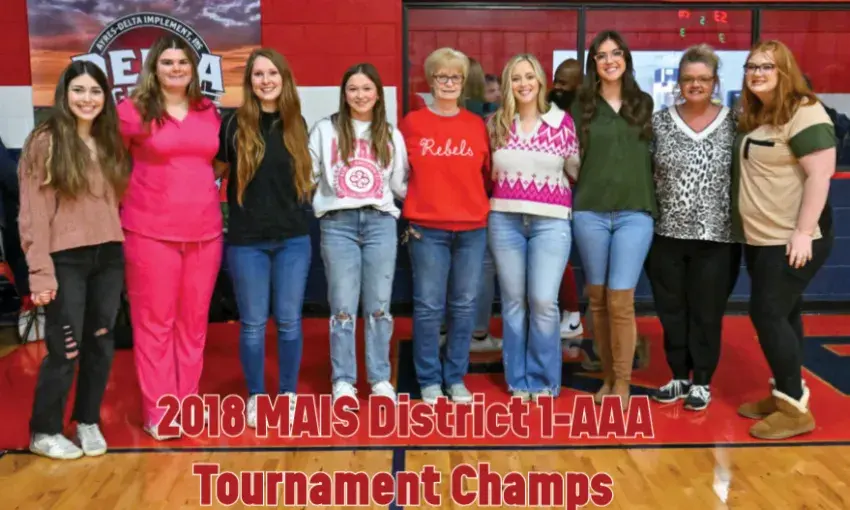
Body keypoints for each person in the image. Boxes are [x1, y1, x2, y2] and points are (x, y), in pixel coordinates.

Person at [20, 61, 130, 458]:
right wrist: (40, 273)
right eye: (79, 90)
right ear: (64, 95)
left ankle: (87, 421)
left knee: (101, 344)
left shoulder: (108, 140)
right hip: (65, 261)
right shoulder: (45, 141)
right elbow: (32, 214)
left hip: (109, 256)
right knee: (65, 349)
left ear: (105, 97)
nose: (87, 99)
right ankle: (44, 431)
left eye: (95, 91)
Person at [118, 35, 223, 439]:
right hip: (149, 233)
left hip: (205, 233)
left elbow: (215, 163)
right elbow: (111, 163)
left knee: (193, 325)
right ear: (154, 68)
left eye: (183, 62)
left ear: (193, 69)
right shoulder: (132, 111)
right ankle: (160, 413)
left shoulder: (207, 110)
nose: (176, 68)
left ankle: (186, 405)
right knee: (155, 325)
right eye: (167, 62)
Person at [731, 40, 835, 440]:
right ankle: (786, 395)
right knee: (785, 314)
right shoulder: (759, 113)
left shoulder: (804, 111)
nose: (757, 73)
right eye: (751, 66)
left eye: (767, 67)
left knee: (768, 313)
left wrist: (803, 233)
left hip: (791, 238)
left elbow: (820, 175)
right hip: (761, 238)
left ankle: (794, 409)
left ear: (784, 71)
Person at [214, 48, 313, 428]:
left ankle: (288, 394)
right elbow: (215, 173)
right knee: (253, 324)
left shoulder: (297, 123)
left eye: (273, 73)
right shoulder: (232, 125)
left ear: (284, 78)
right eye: (258, 74)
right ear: (250, 81)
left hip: (292, 239)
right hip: (247, 242)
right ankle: (256, 396)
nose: (266, 80)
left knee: (289, 321)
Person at [645, 44, 741, 411]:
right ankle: (678, 376)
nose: (695, 84)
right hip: (666, 233)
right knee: (671, 309)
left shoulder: (734, 122)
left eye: (703, 78)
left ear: (715, 82)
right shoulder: (658, 122)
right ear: (679, 82)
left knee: (706, 311)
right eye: (688, 78)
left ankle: (701, 380)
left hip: (717, 236)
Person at [309, 62, 407, 404]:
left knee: (379, 306)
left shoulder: (390, 134)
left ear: (377, 94)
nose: (360, 95)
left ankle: (379, 379)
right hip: (338, 224)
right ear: (344, 94)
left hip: (380, 223)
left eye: (367, 88)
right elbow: (308, 174)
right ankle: (343, 381)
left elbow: (400, 184)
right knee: (342, 306)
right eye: (353, 89)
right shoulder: (325, 129)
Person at [571, 30, 656, 410]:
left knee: (621, 300)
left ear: (626, 59)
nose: (610, 61)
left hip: (635, 212)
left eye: (616, 53)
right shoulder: (581, 106)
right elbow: (570, 159)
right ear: (594, 63)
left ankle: (622, 381)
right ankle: (607, 377)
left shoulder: (643, 103)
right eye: (602, 55)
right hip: (590, 211)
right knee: (598, 300)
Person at [400, 47, 491, 404]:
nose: (449, 83)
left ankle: (455, 377)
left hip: (471, 228)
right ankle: (429, 380)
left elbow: (487, 175)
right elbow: (398, 173)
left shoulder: (476, 125)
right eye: (442, 76)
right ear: (431, 80)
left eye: (455, 77)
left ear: (463, 82)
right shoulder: (412, 123)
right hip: (427, 229)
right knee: (428, 306)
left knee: (464, 306)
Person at [487, 54, 579, 401]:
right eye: (516, 78)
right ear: (508, 84)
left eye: (529, 76)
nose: (523, 84)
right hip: (505, 220)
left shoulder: (562, 122)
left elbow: (574, 170)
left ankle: (543, 380)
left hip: (551, 221)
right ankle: (518, 379)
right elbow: (487, 172)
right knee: (513, 302)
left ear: (540, 81)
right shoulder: (496, 123)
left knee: (543, 301)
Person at [463, 57, 501, 352]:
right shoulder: (488, 119)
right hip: (483, 199)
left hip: (461, 200)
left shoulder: (467, 116)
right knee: (484, 266)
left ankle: (447, 330)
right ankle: (477, 333)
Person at [549, 58, 585, 344]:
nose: (557, 87)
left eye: (564, 83)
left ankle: (572, 315)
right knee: (555, 256)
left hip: (579, 191)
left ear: (578, 85)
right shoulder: (548, 108)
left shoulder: (585, 113)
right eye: (556, 80)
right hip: (552, 190)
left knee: (561, 257)